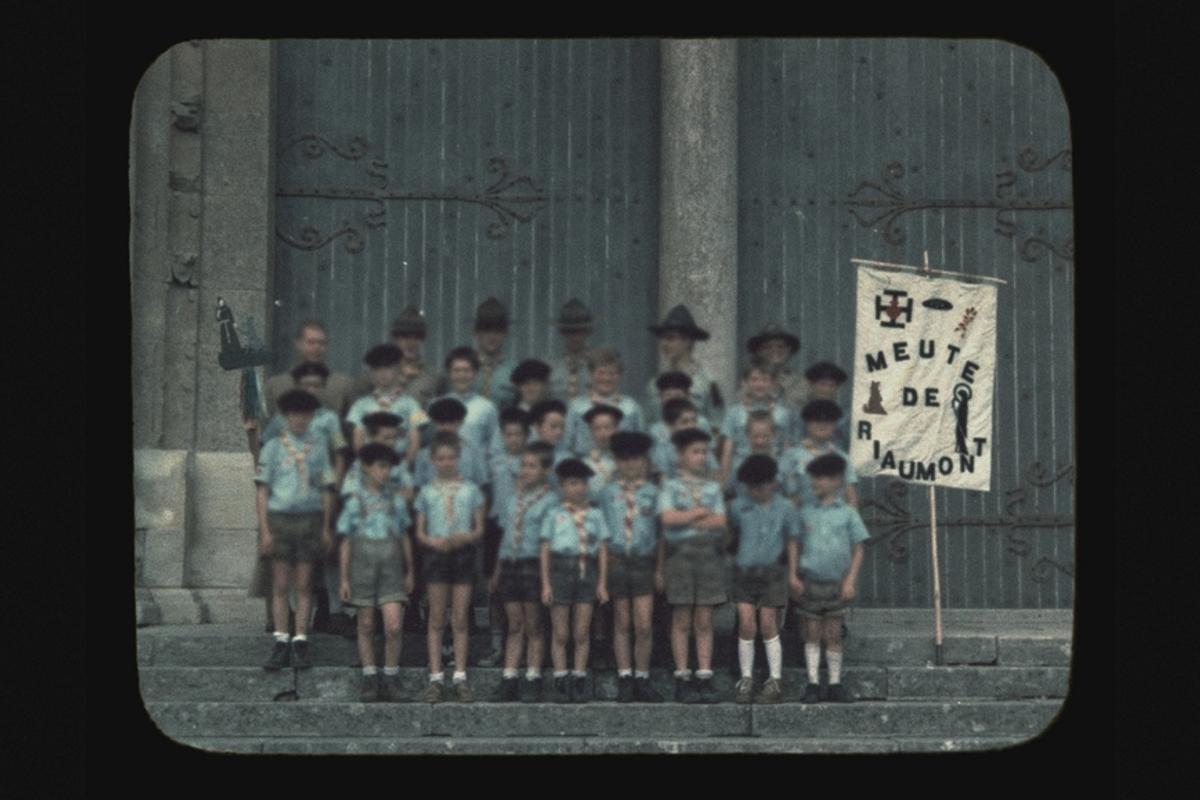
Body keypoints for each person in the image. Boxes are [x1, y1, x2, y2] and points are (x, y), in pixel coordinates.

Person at [254, 389, 337, 672]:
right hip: (281, 520)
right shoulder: (274, 448)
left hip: (309, 519)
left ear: (312, 417)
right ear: (285, 417)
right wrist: (265, 530)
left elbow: (326, 489)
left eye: (305, 414)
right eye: (294, 414)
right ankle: (281, 640)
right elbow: (262, 491)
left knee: (304, 584)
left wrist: (326, 527)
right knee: (280, 585)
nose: (299, 419)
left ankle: (301, 639)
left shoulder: (318, 447)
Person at [335, 443, 414, 703]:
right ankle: (370, 677)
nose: (385, 472)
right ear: (366, 468)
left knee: (393, 626)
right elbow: (346, 540)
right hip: (363, 566)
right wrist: (344, 578)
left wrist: (410, 570)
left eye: (388, 467)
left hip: (391, 567)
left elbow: (403, 535)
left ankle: (391, 676)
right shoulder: (355, 500)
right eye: (380, 466)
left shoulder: (395, 498)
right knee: (366, 623)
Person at [788, 453, 868, 703]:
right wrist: (792, 574)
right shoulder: (804, 512)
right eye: (814, 478)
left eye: (822, 478)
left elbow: (858, 548)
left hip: (836, 583)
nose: (816, 483)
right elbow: (794, 543)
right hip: (811, 581)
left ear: (836, 481)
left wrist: (849, 581)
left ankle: (834, 683)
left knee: (833, 633)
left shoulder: (847, 514)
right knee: (811, 632)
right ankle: (813, 682)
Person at [413, 431, 487, 703]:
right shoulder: (427, 492)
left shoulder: (470, 490)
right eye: (440, 458)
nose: (446, 462)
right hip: (436, 555)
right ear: (433, 460)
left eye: (451, 457)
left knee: (459, 618)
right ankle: (435, 677)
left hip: (462, 554)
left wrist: (465, 537)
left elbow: (479, 529)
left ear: (458, 458)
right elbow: (419, 532)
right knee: (436, 617)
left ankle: (460, 676)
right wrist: (432, 540)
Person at [658, 428, 728, 704]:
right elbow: (667, 519)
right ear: (680, 456)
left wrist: (684, 518)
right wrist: (699, 513)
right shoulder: (671, 487)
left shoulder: (712, 488)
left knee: (704, 618)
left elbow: (720, 522)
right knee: (682, 618)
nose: (701, 457)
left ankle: (704, 675)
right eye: (695, 452)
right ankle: (682, 676)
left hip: (708, 555)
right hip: (681, 556)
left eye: (704, 452)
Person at [488, 441, 559, 702]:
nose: (525, 471)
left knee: (533, 623)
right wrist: (497, 570)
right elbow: (506, 536)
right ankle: (509, 677)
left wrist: (547, 578)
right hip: (510, 564)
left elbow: (548, 541)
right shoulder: (513, 498)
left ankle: (532, 676)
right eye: (523, 465)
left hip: (533, 564)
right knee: (514, 622)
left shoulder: (551, 500)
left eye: (532, 466)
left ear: (545, 469)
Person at [728, 455, 799, 704]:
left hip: (773, 573)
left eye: (763, 485)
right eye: (752, 487)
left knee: (769, 623)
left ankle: (775, 678)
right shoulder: (738, 507)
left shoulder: (786, 508)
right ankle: (746, 678)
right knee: (747, 623)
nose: (758, 491)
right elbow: (732, 537)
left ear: (773, 483)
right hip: (745, 573)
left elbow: (791, 541)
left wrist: (792, 573)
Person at [599, 431, 664, 703]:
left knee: (644, 623)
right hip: (616, 560)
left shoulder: (653, 493)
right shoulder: (607, 492)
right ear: (617, 462)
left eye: (636, 460)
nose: (630, 465)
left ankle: (642, 677)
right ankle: (625, 676)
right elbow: (601, 533)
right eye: (624, 460)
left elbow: (661, 534)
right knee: (622, 622)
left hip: (643, 562)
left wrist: (660, 569)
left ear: (645, 462)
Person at [540, 459, 611, 703]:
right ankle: (561, 677)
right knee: (561, 632)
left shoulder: (595, 514)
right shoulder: (554, 514)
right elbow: (545, 549)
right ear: (562, 486)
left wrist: (601, 583)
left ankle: (579, 676)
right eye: (572, 483)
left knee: (581, 631)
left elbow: (602, 548)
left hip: (586, 571)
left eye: (582, 483)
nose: (578, 488)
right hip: (560, 570)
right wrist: (546, 583)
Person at [480, 407, 532, 667]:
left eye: (518, 434)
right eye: (508, 434)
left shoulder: (533, 463)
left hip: (526, 530)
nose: (514, 439)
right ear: (502, 435)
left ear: (526, 435)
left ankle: (525, 647)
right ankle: (497, 645)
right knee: (495, 588)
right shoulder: (493, 463)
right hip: (497, 527)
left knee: (527, 589)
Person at [718, 361, 794, 488]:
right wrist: (724, 483)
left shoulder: (783, 413)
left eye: (765, 380)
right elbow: (728, 451)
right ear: (745, 382)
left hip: (773, 468)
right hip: (742, 468)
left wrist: (789, 482)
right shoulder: (735, 412)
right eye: (754, 379)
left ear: (773, 383)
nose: (760, 384)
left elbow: (786, 449)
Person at [645, 305, 724, 427]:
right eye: (663, 338)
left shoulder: (708, 383)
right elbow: (649, 426)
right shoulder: (654, 384)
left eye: (671, 338)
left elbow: (717, 426)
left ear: (688, 341)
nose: (664, 344)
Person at [345, 344, 425, 462]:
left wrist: (405, 465)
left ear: (398, 369)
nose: (382, 373)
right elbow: (358, 438)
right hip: (369, 463)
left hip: (399, 462)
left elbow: (415, 438)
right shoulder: (360, 405)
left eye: (388, 367)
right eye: (377, 369)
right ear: (371, 373)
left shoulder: (411, 404)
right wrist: (366, 464)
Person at [352, 306, 440, 408]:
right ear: (395, 338)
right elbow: (357, 408)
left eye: (417, 337)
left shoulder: (433, 377)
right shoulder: (371, 375)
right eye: (405, 336)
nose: (411, 343)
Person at [564, 347, 645, 457]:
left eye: (612, 373)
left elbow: (641, 444)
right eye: (601, 373)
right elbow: (567, 445)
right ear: (591, 374)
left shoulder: (631, 407)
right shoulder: (577, 407)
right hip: (584, 468)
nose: (606, 378)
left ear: (619, 375)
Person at [265, 320, 355, 418]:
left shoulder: (343, 385)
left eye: (322, 343)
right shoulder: (276, 386)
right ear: (298, 344)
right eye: (311, 342)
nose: (317, 347)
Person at [779, 399, 859, 508]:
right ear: (807, 424)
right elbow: (778, 491)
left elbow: (851, 499)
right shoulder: (791, 456)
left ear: (835, 425)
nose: (822, 425)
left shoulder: (842, 458)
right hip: (800, 518)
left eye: (828, 421)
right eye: (816, 420)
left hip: (834, 520)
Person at [435, 346, 504, 461]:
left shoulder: (487, 407)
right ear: (449, 373)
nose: (461, 376)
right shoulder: (437, 405)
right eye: (456, 370)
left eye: (466, 370)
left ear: (475, 373)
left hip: (477, 472)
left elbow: (495, 446)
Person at [411, 397, 489, 489]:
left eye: (451, 423)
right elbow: (418, 488)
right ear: (434, 423)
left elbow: (482, 487)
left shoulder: (474, 453)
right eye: (442, 424)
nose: (447, 428)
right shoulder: (423, 454)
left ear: (461, 422)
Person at [650, 398, 718, 481]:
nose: (691, 426)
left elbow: (714, 471)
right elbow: (663, 477)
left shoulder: (701, 444)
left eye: (694, 421)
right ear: (670, 426)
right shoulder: (663, 448)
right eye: (684, 422)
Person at [470, 297, 519, 409]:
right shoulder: (462, 368)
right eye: (486, 330)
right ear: (475, 332)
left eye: (498, 331)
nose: (492, 336)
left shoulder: (514, 371)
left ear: (505, 333)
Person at [746, 324, 807, 411]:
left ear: (789, 351)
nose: (774, 350)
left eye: (780, 346)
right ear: (758, 351)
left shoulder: (801, 383)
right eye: (767, 347)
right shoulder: (748, 382)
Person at [547, 298, 594, 402]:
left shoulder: (599, 366)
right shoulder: (550, 366)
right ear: (562, 332)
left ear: (588, 332)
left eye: (579, 331)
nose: (574, 337)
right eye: (570, 331)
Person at [727, 411, 782, 500]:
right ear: (747, 435)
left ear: (773, 434)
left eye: (765, 436)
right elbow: (732, 495)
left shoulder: (784, 462)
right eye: (755, 436)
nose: (760, 442)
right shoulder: (738, 464)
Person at [648, 371, 715, 441]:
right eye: (668, 395)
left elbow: (708, 449)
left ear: (687, 396)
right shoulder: (655, 430)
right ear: (661, 397)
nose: (673, 399)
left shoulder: (701, 424)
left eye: (678, 395)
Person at [803, 361, 850, 449]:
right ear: (811, 385)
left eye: (831, 386)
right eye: (822, 384)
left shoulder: (845, 416)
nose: (826, 390)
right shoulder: (799, 412)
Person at [580, 403, 621, 502]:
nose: (603, 433)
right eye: (597, 429)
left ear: (617, 429)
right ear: (591, 432)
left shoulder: (630, 459)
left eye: (607, 428)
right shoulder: (585, 464)